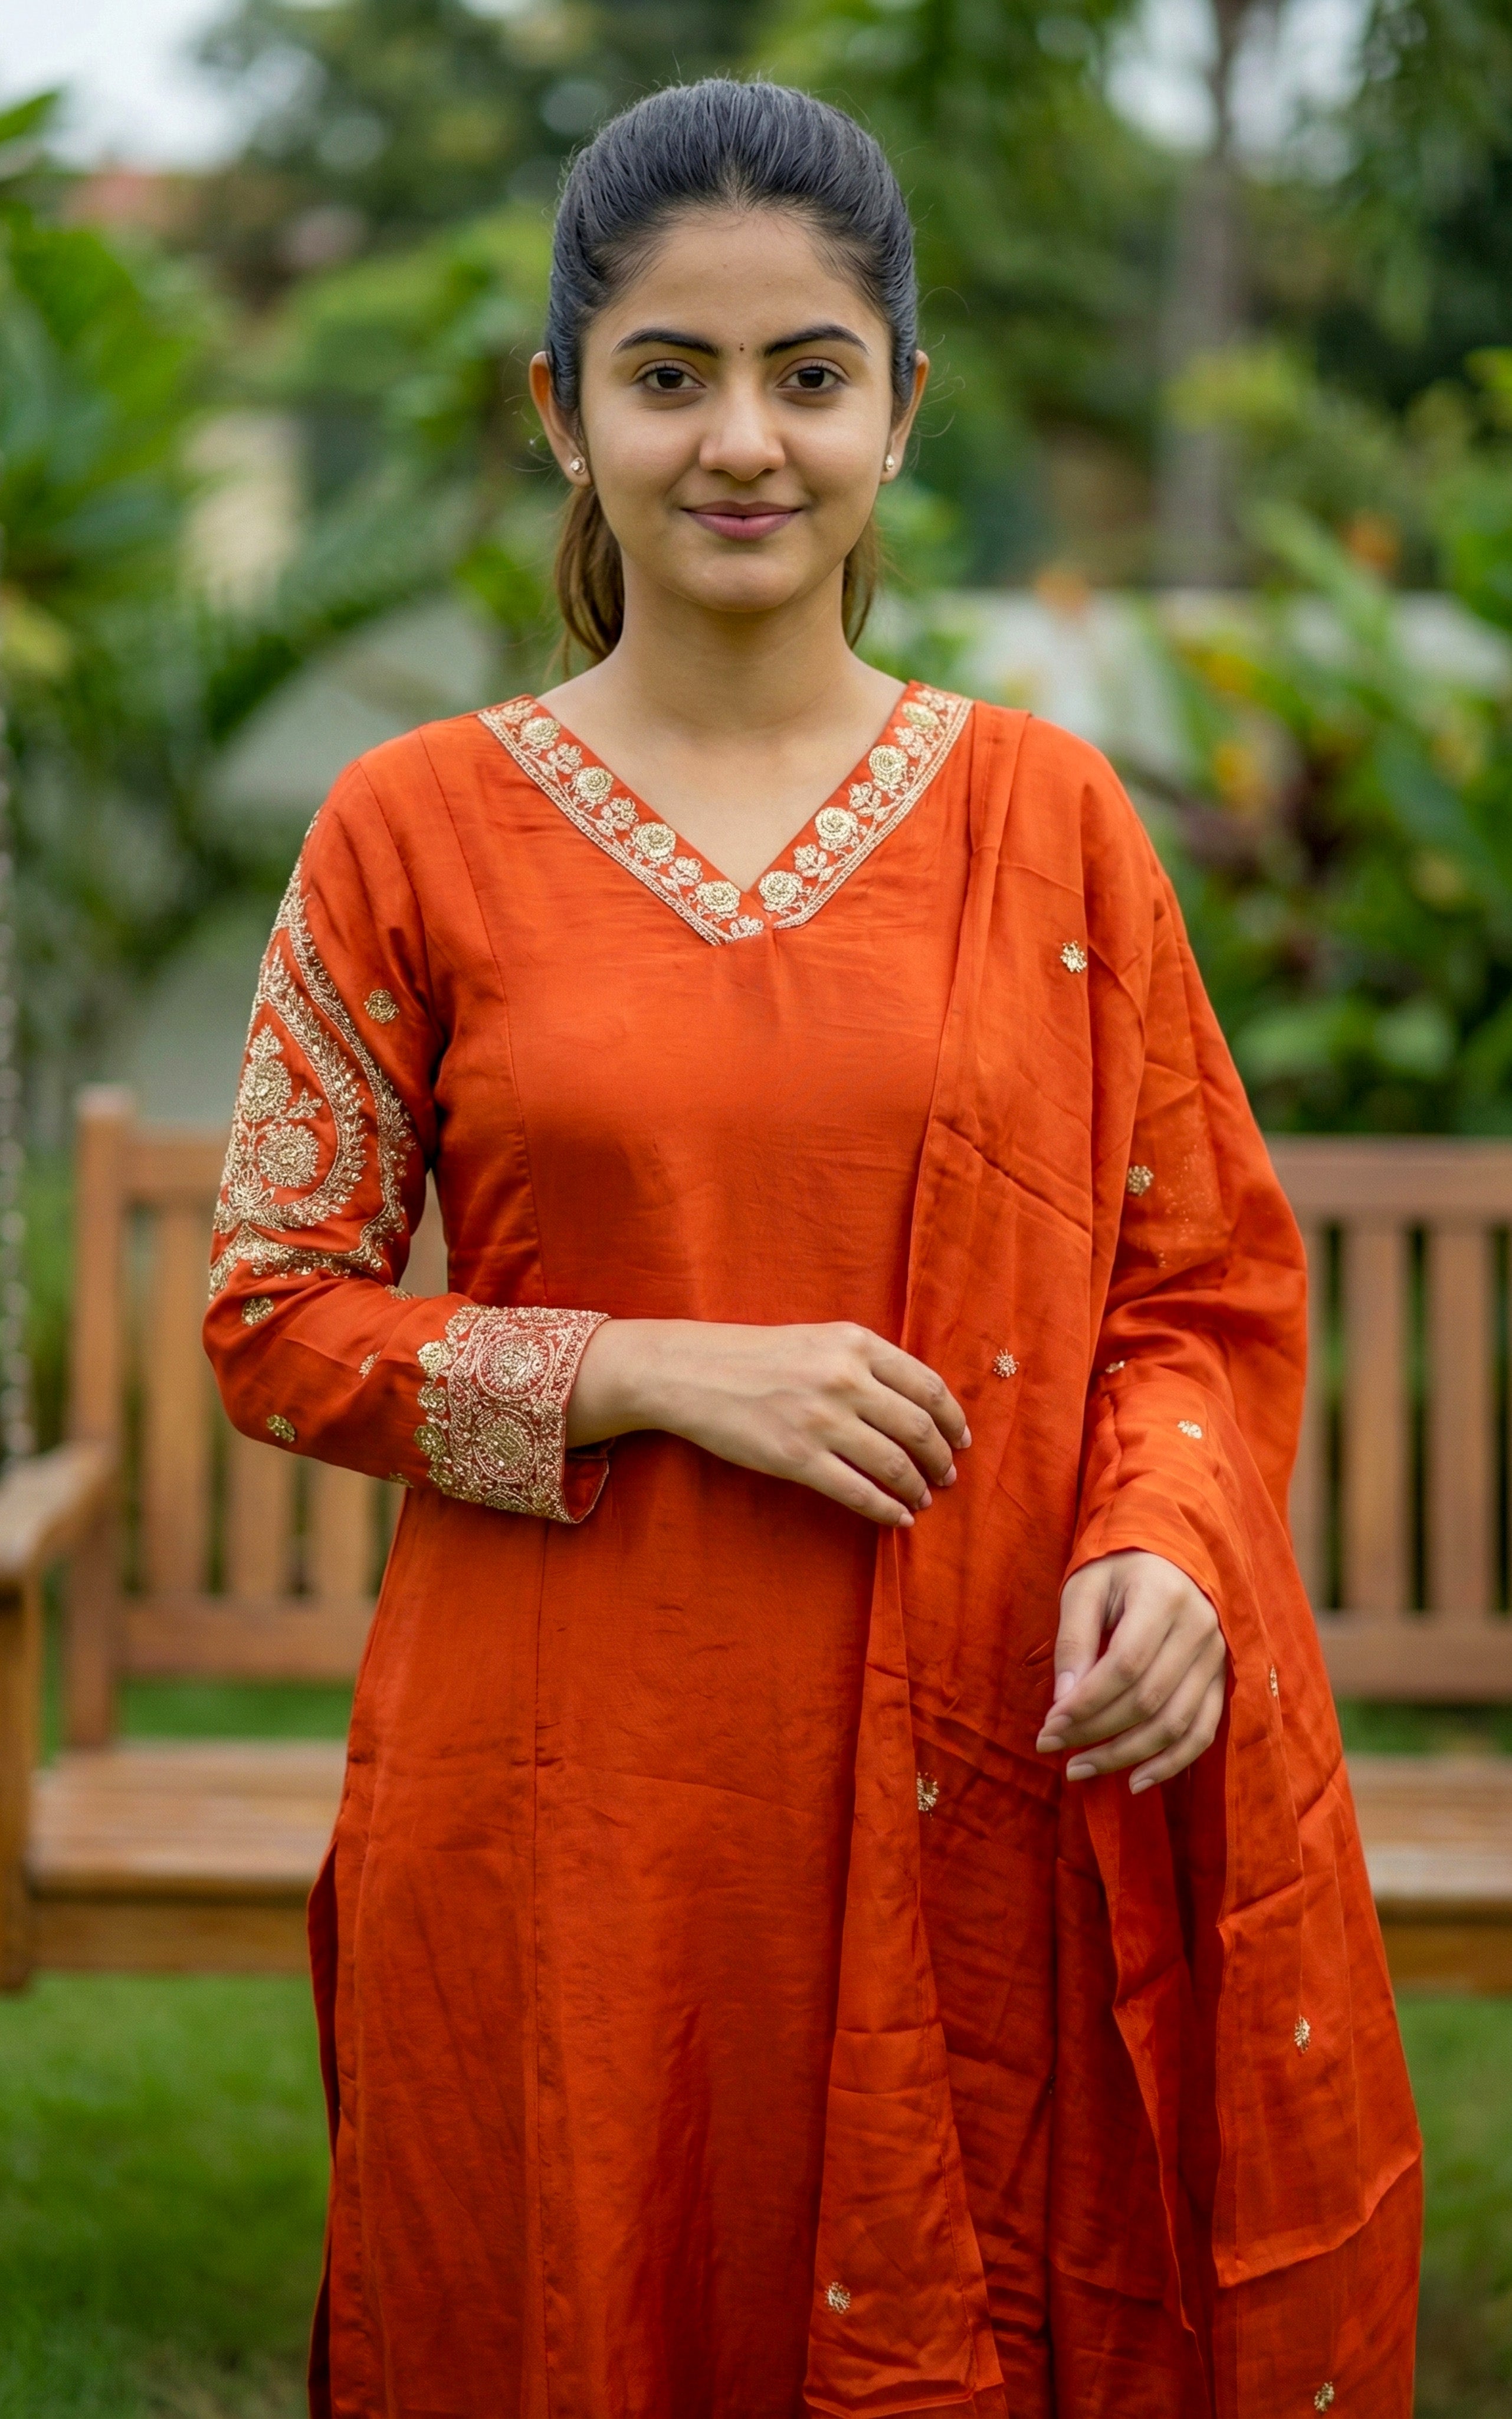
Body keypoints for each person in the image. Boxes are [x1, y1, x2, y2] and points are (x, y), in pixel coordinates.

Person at [203, 77, 1421, 2419]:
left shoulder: (1046, 823)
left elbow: (1195, 1293)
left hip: (975, 1749)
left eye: (804, 372)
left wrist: (1166, 1547)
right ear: (563, 412)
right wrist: (648, 1371)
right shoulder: (411, 828)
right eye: (668, 376)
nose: (737, 439)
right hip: (564, 1791)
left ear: (900, 408)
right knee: (579, 2297)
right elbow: (273, 1313)